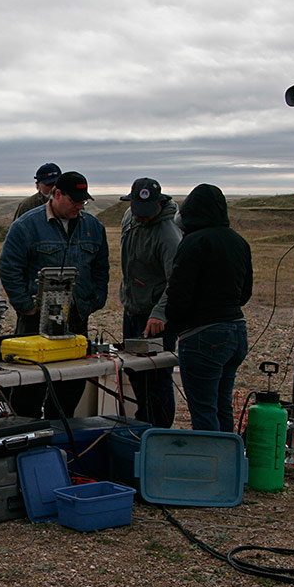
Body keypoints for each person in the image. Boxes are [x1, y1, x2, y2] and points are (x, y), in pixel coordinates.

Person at [0, 170, 109, 417]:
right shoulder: (26, 226)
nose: (79, 207)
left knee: (71, 385)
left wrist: (94, 301)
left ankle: (59, 438)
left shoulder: (93, 227)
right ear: (57, 194)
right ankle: (28, 440)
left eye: (83, 202)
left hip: (77, 319)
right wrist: (26, 306)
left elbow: (101, 267)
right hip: (35, 323)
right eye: (74, 201)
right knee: (30, 387)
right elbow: (9, 268)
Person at [165, 183, 253, 433]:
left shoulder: (194, 242)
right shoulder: (239, 241)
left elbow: (179, 293)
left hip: (203, 336)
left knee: (203, 409)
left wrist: (176, 323)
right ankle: (229, 464)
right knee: (221, 404)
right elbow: (245, 292)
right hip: (236, 330)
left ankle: (212, 466)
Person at [118, 178, 182, 428]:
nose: (143, 217)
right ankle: (144, 422)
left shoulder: (168, 233)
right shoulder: (129, 217)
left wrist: (160, 313)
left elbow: (176, 280)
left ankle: (160, 429)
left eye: (148, 213)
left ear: (160, 202)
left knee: (157, 375)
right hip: (133, 308)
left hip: (156, 317)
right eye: (138, 211)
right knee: (135, 370)